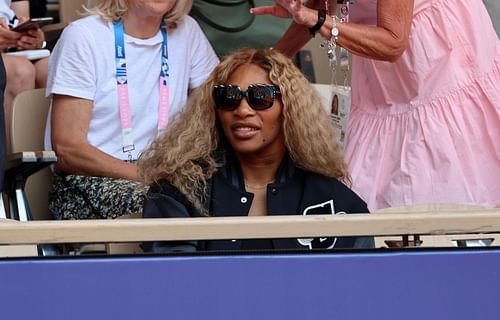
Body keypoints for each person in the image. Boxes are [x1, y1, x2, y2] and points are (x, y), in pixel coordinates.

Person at [252, 0, 500, 210]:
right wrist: (266, 64)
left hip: (436, 62)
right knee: (369, 197)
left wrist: (314, 19)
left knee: (437, 195)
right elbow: (320, 8)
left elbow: (393, 42)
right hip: (384, 81)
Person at [139, 48, 374, 253]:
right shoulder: (179, 192)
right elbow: (176, 281)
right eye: (228, 97)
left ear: (290, 109)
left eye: (259, 97)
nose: (242, 110)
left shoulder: (334, 200)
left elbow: (355, 286)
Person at [45, 0, 218, 219]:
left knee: (223, 198)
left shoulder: (187, 30)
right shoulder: (83, 35)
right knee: (169, 204)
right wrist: (148, 175)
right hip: (88, 181)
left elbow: (222, 104)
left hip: (162, 176)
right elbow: (68, 150)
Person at [1, 0, 48, 148]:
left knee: (52, 68)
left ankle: (61, 162)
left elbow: (23, 20)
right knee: (21, 71)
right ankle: (13, 163)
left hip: (12, 51)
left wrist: (34, 38)